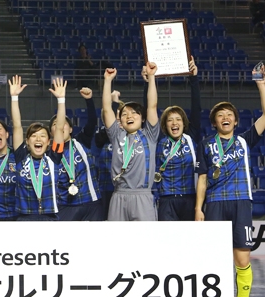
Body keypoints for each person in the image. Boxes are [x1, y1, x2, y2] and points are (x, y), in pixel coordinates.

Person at [195, 74, 265, 297]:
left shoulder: (245, 141)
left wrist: (260, 84)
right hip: (214, 203)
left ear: (236, 121)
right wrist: (198, 209)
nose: (225, 118)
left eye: (229, 115)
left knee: (242, 255)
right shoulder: (205, 144)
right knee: (213, 255)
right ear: (214, 122)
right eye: (220, 116)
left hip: (241, 203)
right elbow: (202, 178)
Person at [102, 64, 159, 221]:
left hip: (142, 196)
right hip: (119, 195)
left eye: (134, 113)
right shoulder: (116, 135)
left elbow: (152, 106)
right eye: (125, 114)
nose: (129, 116)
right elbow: (107, 109)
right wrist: (107, 81)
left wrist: (152, 77)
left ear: (142, 119)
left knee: (145, 243)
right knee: (117, 243)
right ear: (120, 120)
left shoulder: (149, 135)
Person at [10, 75, 63, 220]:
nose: (38, 139)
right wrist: (14, 98)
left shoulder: (54, 158)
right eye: (34, 136)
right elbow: (17, 126)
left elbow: (59, 128)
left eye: (42, 136)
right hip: (24, 218)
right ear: (27, 141)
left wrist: (61, 100)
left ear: (48, 142)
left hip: (49, 217)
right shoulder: (21, 156)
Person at [155, 58, 201, 221]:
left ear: (184, 122)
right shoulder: (160, 140)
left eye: (178, 119)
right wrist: (149, 81)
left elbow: (196, 109)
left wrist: (193, 78)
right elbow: (150, 111)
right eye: (170, 120)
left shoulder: (191, 138)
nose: (174, 123)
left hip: (190, 198)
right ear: (165, 125)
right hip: (166, 199)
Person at [50, 87, 103, 221]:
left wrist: (89, 100)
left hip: (92, 201)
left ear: (71, 129)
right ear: (51, 132)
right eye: (55, 125)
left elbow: (92, 121)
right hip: (66, 205)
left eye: (63, 124)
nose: (60, 127)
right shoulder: (51, 154)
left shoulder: (81, 141)